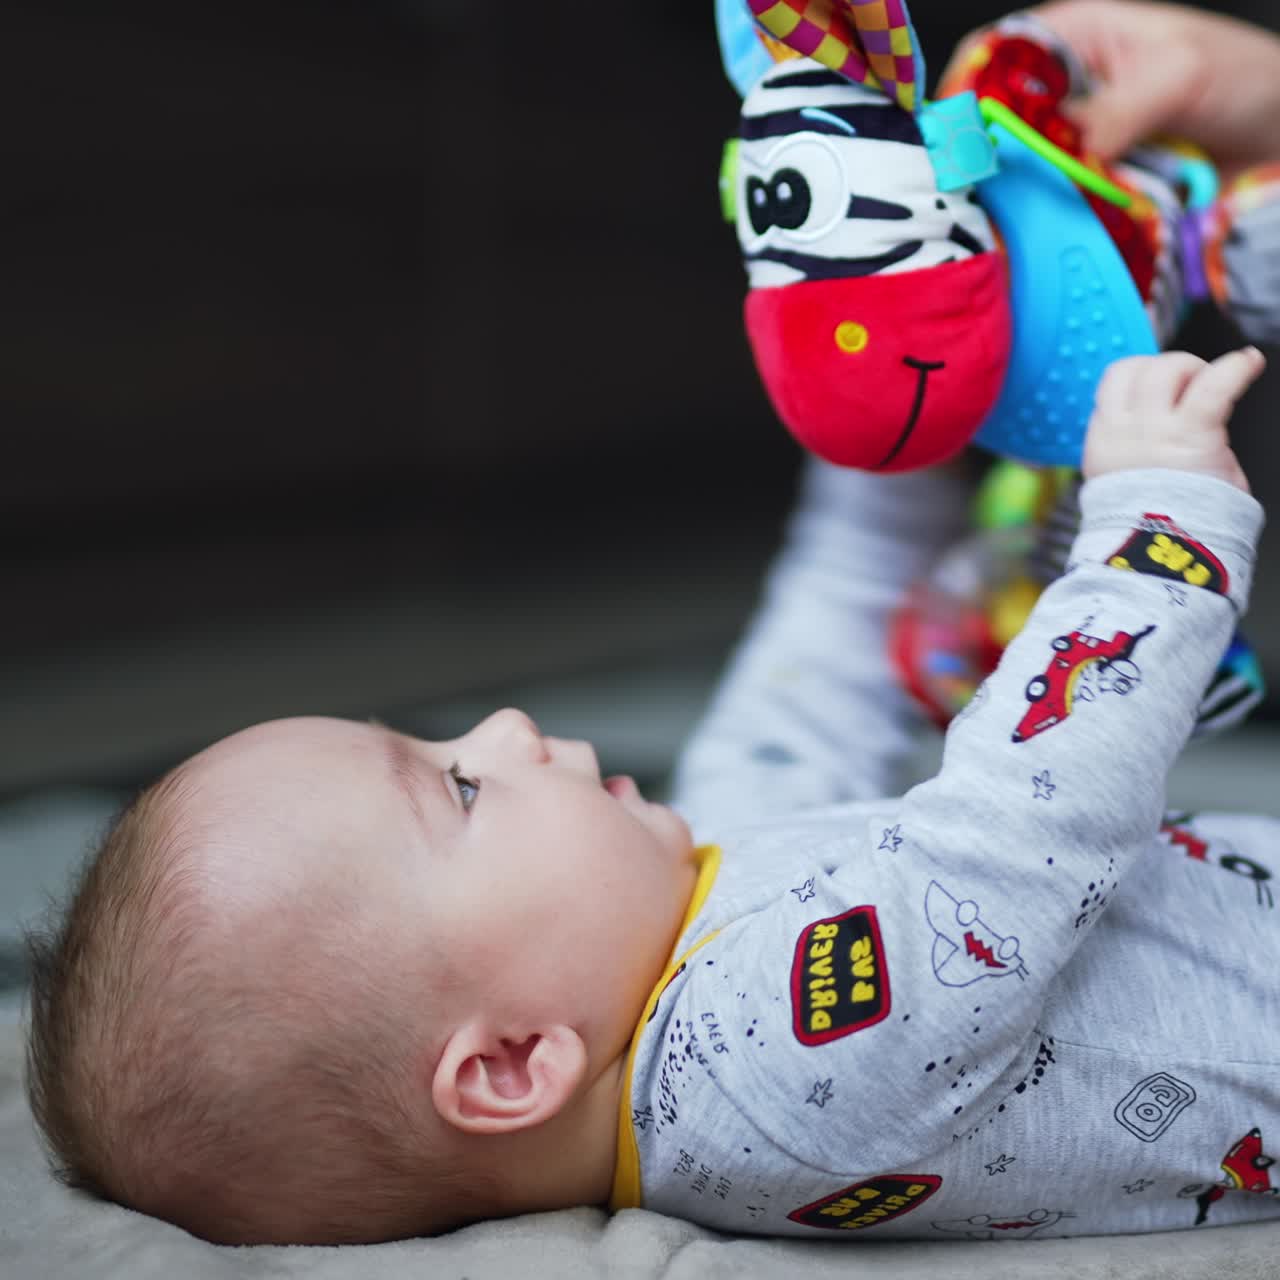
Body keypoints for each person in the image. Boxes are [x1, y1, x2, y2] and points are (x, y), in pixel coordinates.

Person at [22, 342, 1274, 1244]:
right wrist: (1156, 531)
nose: (505, 726)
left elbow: (811, 677)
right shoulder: (773, 1084)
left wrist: (886, 415)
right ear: (514, 1062)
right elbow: (1019, 826)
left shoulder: (673, 887)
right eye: (459, 789)